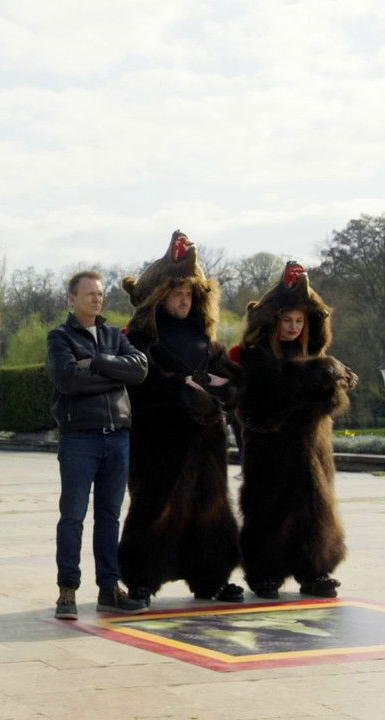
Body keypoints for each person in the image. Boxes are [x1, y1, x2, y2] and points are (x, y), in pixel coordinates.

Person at [117, 230, 244, 607]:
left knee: (211, 507)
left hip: (206, 443)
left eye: (189, 293)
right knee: (155, 508)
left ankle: (212, 577)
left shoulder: (206, 341)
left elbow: (234, 386)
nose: (185, 300)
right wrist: (181, 389)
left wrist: (224, 389)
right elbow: (141, 387)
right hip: (159, 442)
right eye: (177, 293)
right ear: (160, 296)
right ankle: (142, 579)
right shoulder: (140, 341)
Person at [233, 261, 358, 599]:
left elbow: (329, 400)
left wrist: (327, 376)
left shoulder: (313, 353)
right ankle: (264, 574)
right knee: (268, 511)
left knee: (314, 511)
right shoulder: (255, 355)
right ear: (274, 321)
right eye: (287, 320)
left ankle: (314, 571)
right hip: (269, 450)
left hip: (311, 450)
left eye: (299, 321)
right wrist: (318, 374)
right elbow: (262, 405)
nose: (292, 327)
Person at [46, 270, 150, 619]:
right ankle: (67, 591)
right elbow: (68, 380)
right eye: (89, 293)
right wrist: (114, 377)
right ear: (72, 299)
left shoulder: (113, 335)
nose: (97, 299)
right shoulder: (60, 337)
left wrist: (99, 362)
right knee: (73, 516)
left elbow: (139, 369)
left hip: (117, 437)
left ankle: (109, 589)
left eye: (100, 293)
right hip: (80, 438)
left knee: (109, 517)